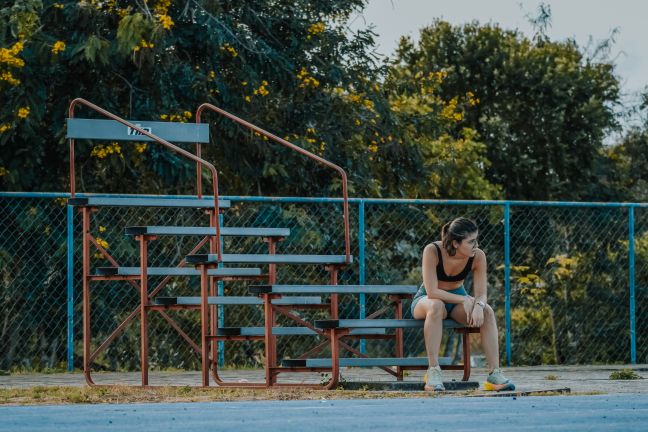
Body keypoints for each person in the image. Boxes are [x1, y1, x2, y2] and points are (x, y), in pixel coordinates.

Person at [411, 217, 515, 392]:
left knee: (488, 311)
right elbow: (432, 292)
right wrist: (465, 300)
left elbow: (481, 294)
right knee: (436, 305)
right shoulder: (433, 250)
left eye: (476, 239)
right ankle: (433, 372)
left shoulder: (478, 256)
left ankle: (494, 374)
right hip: (427, 300)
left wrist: (479, 306)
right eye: (471, 241)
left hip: (458, 298)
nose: (476, 245)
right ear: (456, 243)